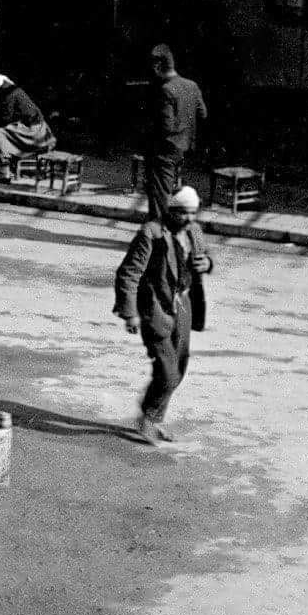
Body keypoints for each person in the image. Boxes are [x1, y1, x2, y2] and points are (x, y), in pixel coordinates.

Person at [114, 184, 213, 446]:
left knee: (179, 367)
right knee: (167, 371)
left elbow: (204, 257)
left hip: (183, 303)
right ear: (171, 211)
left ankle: (154, 418)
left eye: (194, 213)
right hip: (155, 308)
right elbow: (129, 273)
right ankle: (147, 418)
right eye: (184, 213)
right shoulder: (152, 233)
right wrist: (130, 313)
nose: (190, 219)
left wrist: (207, 263)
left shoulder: (193, 231)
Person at [141, 44, 208, 222]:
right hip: (184, 149)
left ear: (157, 66)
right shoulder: (192, 85)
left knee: (159, 195)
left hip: (164, 152)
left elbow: (166, 126)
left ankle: (159, 236)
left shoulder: (166, 90)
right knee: (173, 192)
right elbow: (203, 113)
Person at [0, 61, 54, 182]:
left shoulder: (6, 91)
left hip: (36, 132)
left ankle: (4, 172)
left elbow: (4, 119)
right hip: (26, 128)